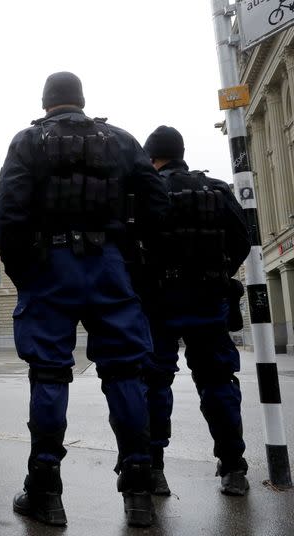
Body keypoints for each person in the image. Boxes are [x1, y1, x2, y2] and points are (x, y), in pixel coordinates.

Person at [0, 72, 170, 528]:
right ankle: (139, 492)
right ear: (82, 101)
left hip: (49, 266)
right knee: (125, 372)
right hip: (110, 265)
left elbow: (8, 213)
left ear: (47, 103)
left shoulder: (28, 142)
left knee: (50, 374)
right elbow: (157, 204)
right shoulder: (121, 140)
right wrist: (130, 259)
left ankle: (45, 492)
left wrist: (25, 274)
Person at [141, 126, 251, 497]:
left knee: (154, 385)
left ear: (153, 158)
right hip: (208, 301)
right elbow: (242, 240)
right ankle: (234, 468)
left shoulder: (146, 193)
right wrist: (217, 274)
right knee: (219, 382)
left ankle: (154, 469)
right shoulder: (217, 190)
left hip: (159, 304)